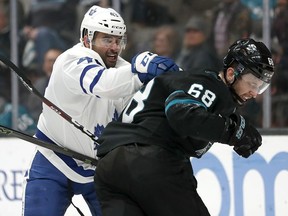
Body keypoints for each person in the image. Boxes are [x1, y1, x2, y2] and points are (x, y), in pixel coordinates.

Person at [22, 5, 179, 216]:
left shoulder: (124, 71)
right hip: (53, 160)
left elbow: (137, 112)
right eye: (107, 40)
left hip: (100, 169)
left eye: (118, 40)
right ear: (87, 38)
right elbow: (105, 85)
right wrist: (142, 71)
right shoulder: (71, 61)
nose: (115, 47)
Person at [94, 38, 275, 216]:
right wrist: (232, 133)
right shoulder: (210, 84)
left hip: (110, 168)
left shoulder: (195, 84)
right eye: (252, 83)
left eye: (261, 87)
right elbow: (182, 113)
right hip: (149, 160)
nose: (254, 92)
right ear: (230, 73)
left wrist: (235, 125)